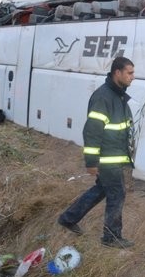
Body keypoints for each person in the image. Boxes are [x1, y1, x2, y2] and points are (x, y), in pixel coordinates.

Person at [58, 56, 136, 248]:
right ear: (117, 73)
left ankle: (68, 218)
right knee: (117, 193)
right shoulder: (104, 97)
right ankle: (111, 237)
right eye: (130, 73)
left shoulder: (117, 95)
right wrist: (91, 162)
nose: (133, 77)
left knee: (101, 189)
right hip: (107, 159)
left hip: (114, 157)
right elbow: (92, 131)